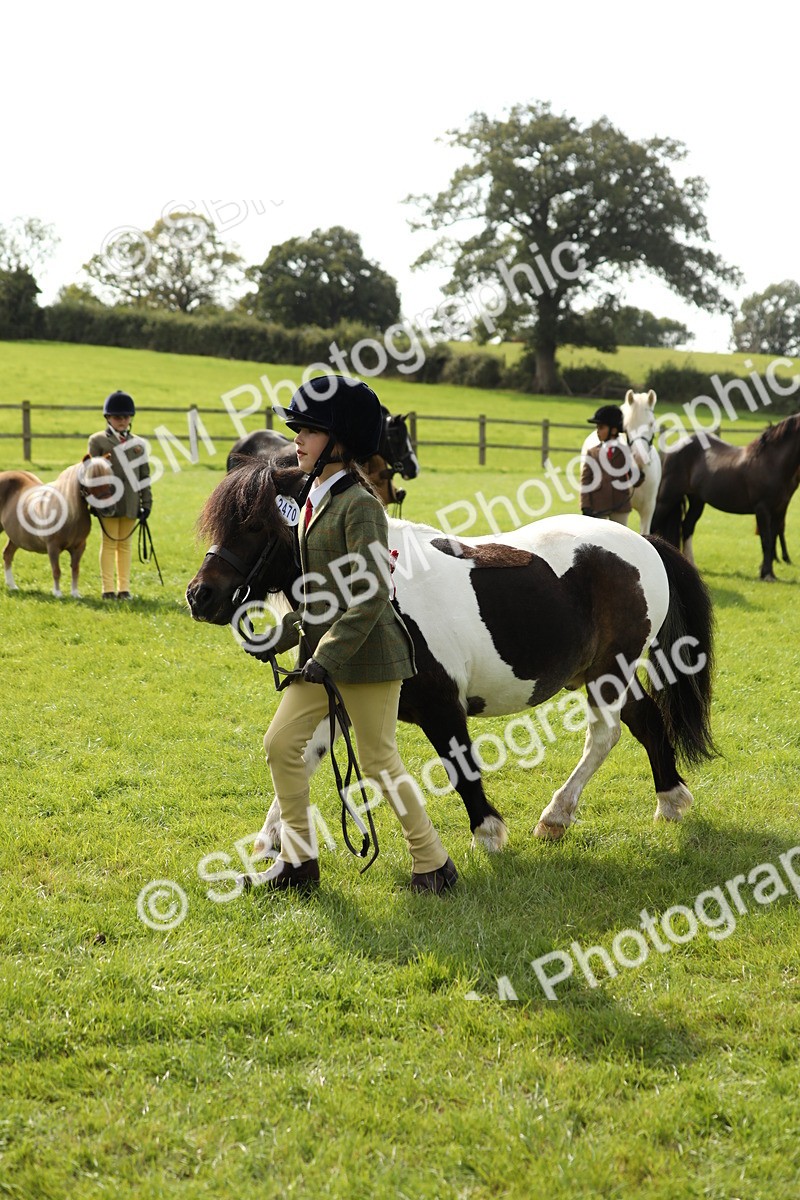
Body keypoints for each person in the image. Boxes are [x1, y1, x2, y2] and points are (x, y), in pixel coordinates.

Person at [244, 374, 458, 895]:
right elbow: (323, 596)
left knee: (379, 759)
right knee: (280, 744)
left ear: (337, 444)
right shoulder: (314, 497)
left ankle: (433, 863)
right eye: (296, 428)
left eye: (307, 430)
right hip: (325, 654)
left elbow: (370, 596)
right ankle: (299, 861)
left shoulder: (361, 505)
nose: (295, 437)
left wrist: (324, 657)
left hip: (370, 655)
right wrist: (283, 637)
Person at [87, 390, 152, 599]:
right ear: (108, 418)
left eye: (126, 417)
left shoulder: (139, 445)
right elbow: (91, 473)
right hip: (108, 501)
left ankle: (124, 589)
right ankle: (108, 590)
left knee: (125, 545)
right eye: (117, 417)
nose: (122, 421)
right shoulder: (98, 441)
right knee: (109, 542)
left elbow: (144, 476)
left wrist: (147, 503)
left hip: (131, 502)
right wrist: (94, 502)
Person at [580, 403, 633, 524]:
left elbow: (634, 477)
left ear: (613, 430)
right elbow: (585, 480)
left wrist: (638, 475)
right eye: (597, 427)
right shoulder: (592, 452)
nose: (597, 431)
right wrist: (585, 505)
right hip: (598, 504)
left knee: (622, 537)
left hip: (620, 504)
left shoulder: (626, 451)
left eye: (601, 427)